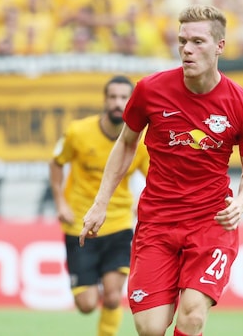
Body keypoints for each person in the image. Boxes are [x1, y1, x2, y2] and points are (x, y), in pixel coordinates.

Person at [79, 5, 243, 336]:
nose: (187, 50)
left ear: (219, 46)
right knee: (150, 328)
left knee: (192, 315)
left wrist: (241, 203)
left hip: (211, 224)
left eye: (197, 41)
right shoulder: (150, 90)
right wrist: (100, 202)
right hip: (158, 222)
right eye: (182, 41)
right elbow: (125, 145)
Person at [49, 75, 149, 336]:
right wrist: (60, 201)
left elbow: (155, 178)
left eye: (124, 97)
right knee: (87, 304)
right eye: (113, 97)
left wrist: (148, 208)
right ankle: (86, 276)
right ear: (105, 100)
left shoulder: (140, 142)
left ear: (132, 102)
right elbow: (57, 163)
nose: (118, 103)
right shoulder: (78, 132)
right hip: (79, 224)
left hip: (118, 223)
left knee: (114, 297)